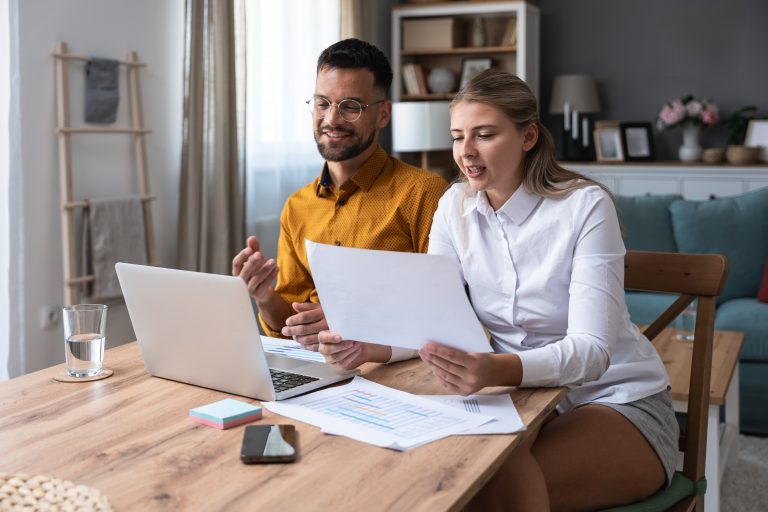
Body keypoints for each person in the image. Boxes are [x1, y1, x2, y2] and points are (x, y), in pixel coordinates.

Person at [320, 70, 678, 511]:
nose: (465, 153)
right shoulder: (455, 205)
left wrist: (494, 370)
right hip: (519, 402)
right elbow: (432, 319)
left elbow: (591, 353)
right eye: (457, 137)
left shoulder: (585, 207)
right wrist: (369, 345)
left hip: (613, 400)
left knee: (484, 487)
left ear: (528, 137)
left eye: (484, 135)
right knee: (428, 473)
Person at [231, 38, 446, 366]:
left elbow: (441, 308)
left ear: (383, 114)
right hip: (317, 368)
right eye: (322, 103)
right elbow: (289, 323)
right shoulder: (297, 206)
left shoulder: (424, 193)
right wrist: (263, 296)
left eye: (351, 106)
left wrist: (353, 326)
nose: (331, 119)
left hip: (398, 369)